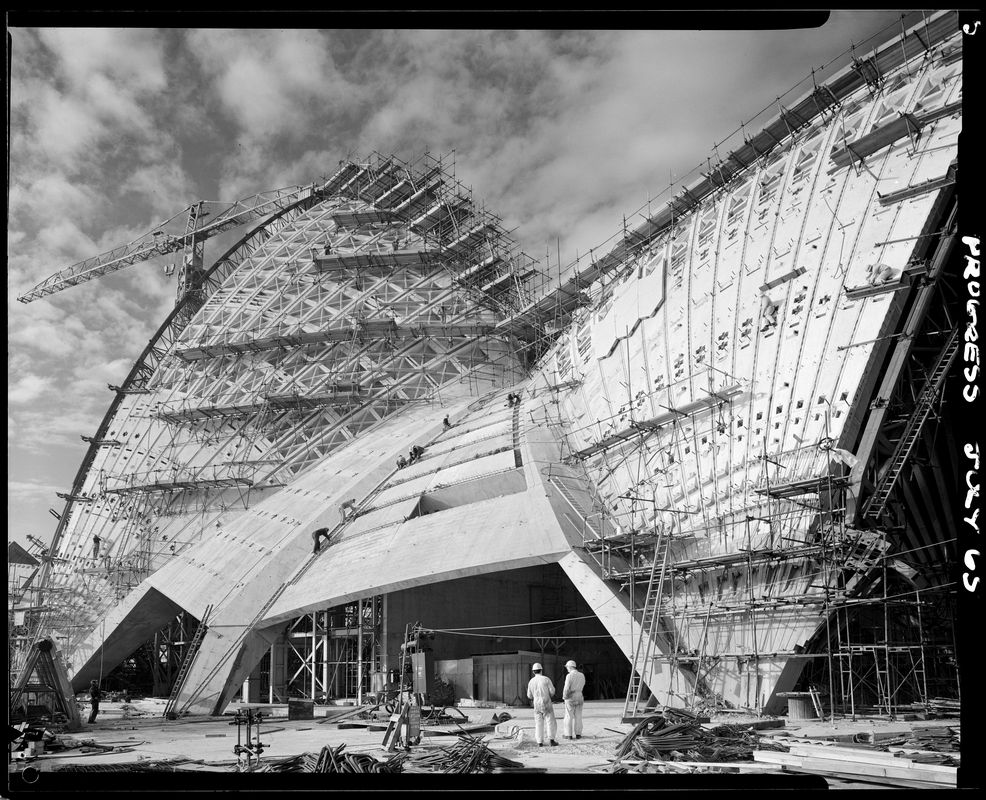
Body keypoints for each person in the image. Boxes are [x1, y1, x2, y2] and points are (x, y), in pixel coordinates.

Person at [526, 663, 558, 747]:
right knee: (550, 722)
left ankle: (539, 742)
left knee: (538, 723)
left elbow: (529, 695)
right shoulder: (546, 679)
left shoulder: (531, 681)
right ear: (541, 670)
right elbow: (552, 691)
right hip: (546, 702)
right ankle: (551, 740)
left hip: (536, 704)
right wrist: (549, 696)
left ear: (533, 671)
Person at [561, 659, 586, 740]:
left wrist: (564, 697)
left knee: (569, 716)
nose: (567, 668)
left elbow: (566, 688)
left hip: (570, 697)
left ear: (570, 667)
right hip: (579, 696)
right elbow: (583, 684)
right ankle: (578, 734)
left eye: (567, 667)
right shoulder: (582, 675)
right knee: (578, 716)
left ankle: (568, 735)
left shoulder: (569, 676)